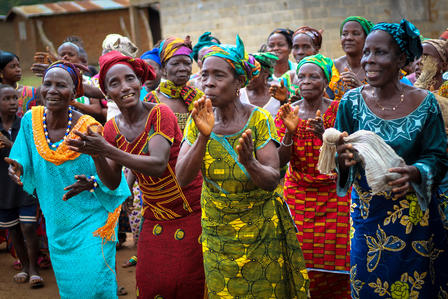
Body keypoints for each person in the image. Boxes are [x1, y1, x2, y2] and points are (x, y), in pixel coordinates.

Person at [176, 35, 309, 298]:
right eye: (204, 75)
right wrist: (204, 136)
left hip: (261, 229)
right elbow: (182, 177)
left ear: (239, 82)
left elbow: (272, 179)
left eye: (218, 76)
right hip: (218, 230)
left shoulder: (258, 119)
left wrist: (249, 163)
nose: (209, 83)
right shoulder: (197, 120)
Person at [66, 50, 205, 298]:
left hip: (189, 209)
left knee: (188, 283)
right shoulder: (112, 127)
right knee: (150, 283)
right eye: (114, 83)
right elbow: (114, 181)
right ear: (106, 94)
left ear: (141, 82)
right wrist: (97, 155)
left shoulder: (160, 113)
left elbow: (158, 164)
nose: (125, 87)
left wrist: (107, 149)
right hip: (155, 213)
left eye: (130, 79)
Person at [335, 19, 448, 298]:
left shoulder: (425, 103)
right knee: (367, 286)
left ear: (401, 58)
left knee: (418, 288)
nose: (369, 61)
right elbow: (340, 159)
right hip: (368, 219)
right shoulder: (350, 102)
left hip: (415, 220)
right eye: (367, 53)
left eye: (380, 53)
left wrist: (416, 172)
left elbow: (438, 156)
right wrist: (342, 159)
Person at [6, 61, 130, 298]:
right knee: (72, 289)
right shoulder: (30, 121)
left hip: (92, 220)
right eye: (47, 84)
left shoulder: (88, 128)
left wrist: (93, 181)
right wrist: (18, 169)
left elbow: (113, 181)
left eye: (61, 85)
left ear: (75, 93)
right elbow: (22, 158)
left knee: (95, 286)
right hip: (58, 223)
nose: (52, 90)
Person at [275, 54, 351, 298]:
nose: (306, 81)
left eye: (314, 76)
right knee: (302, 255)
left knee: (338, 257)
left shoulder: (339, 109)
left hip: (335, 195)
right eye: (302, 77)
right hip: (299, 196)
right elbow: (280, 160)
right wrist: (290, 131)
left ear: (326, 80)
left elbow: (349, 156)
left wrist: (325, 136)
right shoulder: (288, 113)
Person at [0, 84, 42, 288]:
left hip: (25, 185)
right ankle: (24, 266)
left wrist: (10, 146)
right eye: (6, 99)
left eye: (14, 98)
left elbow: (34, 153)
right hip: (3, 189)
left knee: (28, 227)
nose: (12, 102)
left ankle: (34, 268)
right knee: (13, 230)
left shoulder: (25, 125)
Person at [144, 36, 204, 131]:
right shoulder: (151, 100)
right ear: (164, 69)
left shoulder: (198, 97)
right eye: (175, 63)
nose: (182, 68)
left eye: (187, 63)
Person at [331, 16, 373, 100]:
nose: (349, 38)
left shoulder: (377, 67)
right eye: (344, 34)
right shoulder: (331, 67)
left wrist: (359, 86)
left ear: (366, 38)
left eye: (355, 33)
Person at [239, 52, 280, 118]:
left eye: (253, 72)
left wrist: (284, 101)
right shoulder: (239, 95)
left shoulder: (278, 93)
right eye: (245, 72)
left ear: (265, 73)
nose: (248, 77)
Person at [0, 51, 40, 117]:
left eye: (18, 66)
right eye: (12, 67)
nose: (18, 70)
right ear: (1, 71)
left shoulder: (32, 92)